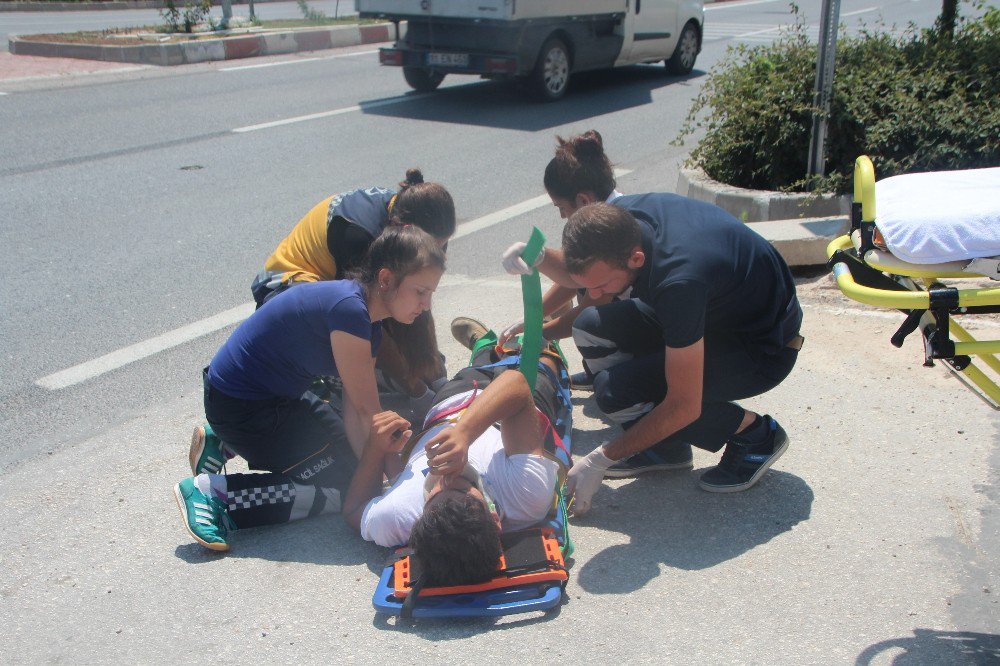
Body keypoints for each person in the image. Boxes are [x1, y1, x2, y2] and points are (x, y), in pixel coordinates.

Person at [173, 226, 446, 551]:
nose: (426, 305)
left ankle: (225, 443)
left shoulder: (365, 318)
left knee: (356, 469)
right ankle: (213, 494)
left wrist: (387, 477)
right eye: (420, 292)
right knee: (343, 488)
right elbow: (367, 416)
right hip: (243, 409)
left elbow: (360, 413)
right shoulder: (350, 312)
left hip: (272, 398)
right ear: (386, 279)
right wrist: (391, 487)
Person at [548, 201, 803, 514]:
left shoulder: (680, 281)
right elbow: (581, 278)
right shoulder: (622, 218)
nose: (595, 295)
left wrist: (600, 458)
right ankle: (664, 447)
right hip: (715, 314)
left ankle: (756, 435)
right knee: (589, 325)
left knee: (617, 392)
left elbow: (684, 405)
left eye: (601, 285)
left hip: (760, 347)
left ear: (636, 259)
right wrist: (536, 261)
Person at [497, 129, 694, 475]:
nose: (560, 216)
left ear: (584, 201)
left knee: (610, 387)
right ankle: (613, 367)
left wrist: (541, 332)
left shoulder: (614, 231)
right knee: (596, 341)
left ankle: (662, 442)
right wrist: (535, 316)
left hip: (683, 335)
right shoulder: (614, 217)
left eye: (560, 207)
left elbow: (592, 302)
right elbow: (577, 279)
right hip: (665, 318)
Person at [342, 320, 569, 586]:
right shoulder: (526, 499)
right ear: (495, 519)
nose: (448, 478)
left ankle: (484, 346)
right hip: (514, 411)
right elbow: (515, 386)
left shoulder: (396, 517)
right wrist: (464, 433)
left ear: (417, 523)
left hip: (449, 405)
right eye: (463, 490)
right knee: (539, 368)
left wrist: (375, 448)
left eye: (434, 495)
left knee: (472, 371)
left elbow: (354, 510)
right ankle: (542, 342)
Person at [252, 169, 457, 415]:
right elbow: (364, 322)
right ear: (408, 229)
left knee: (419, 351)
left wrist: (434, 375)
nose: (440, 249)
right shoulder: (359, 236)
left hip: (339, 289)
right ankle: (314, 392)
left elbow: (418, 297)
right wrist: (416, 389)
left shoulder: (418, 223)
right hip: (284, 289)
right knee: (357, 356)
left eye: (442, 244)